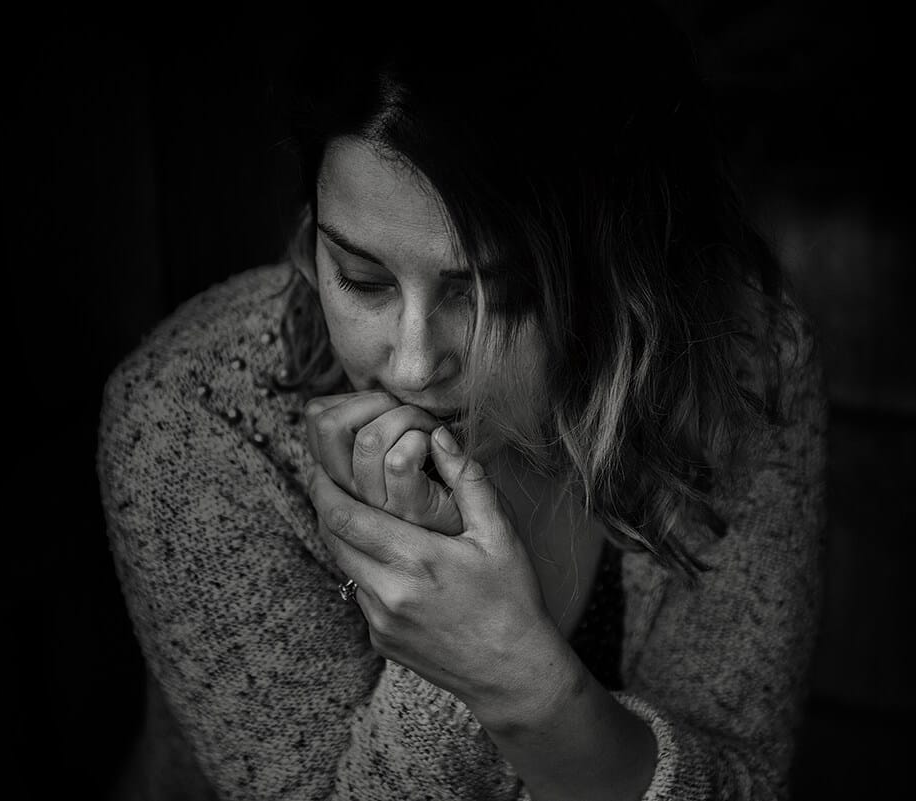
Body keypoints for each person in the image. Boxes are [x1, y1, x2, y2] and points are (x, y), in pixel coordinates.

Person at [96, 7, 826, 800]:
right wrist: (443, 655)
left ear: (622, 280)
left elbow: (748, 784)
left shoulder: (735, 365)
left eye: (498, 294)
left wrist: (516, 678)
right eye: (363, 280)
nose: (412, 362)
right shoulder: (197, 418)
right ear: (310, 243)